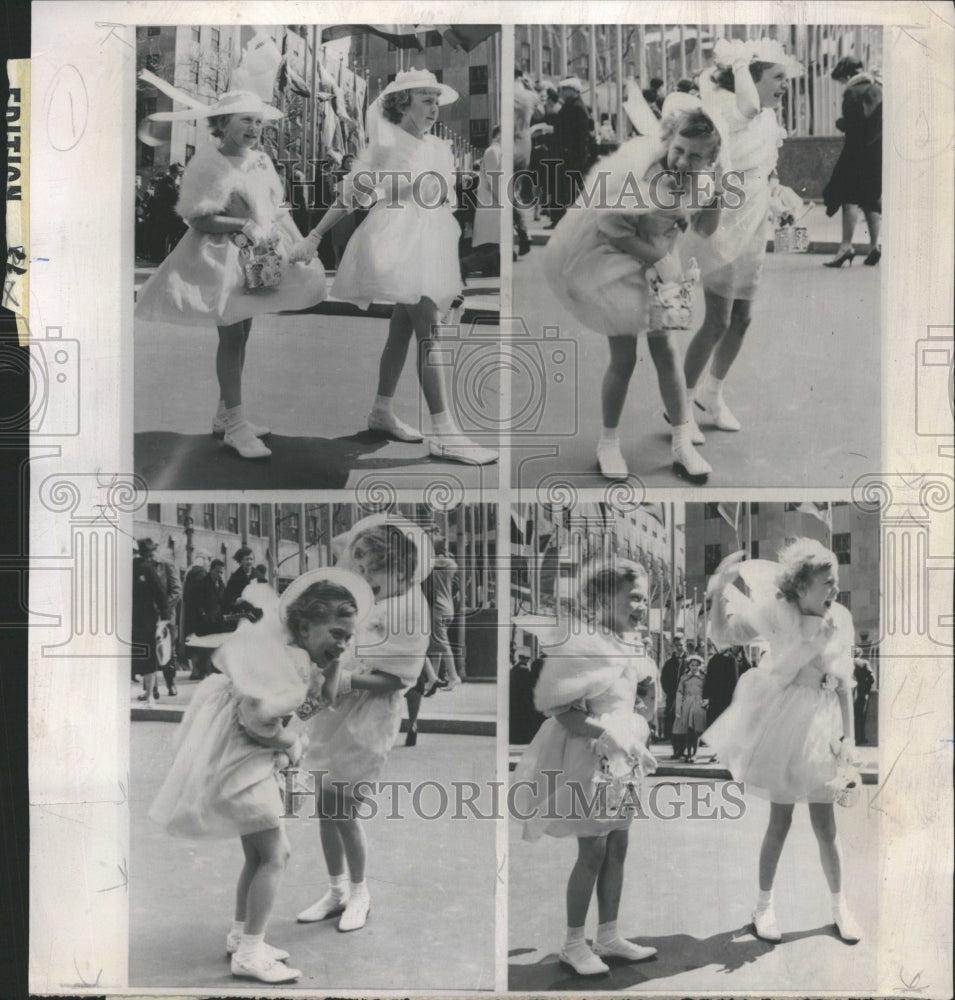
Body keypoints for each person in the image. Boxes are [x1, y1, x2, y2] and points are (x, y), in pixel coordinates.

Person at [149, 567, 374, 983]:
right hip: (241, 764)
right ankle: (250, 952)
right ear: (305, 627)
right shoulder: (285, 662)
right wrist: (289, 744)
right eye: (335, 634)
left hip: (245, 762)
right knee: (276, 854)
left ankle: (241, 936)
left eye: (348, 635)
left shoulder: (304, 657)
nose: (342, 643)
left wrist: (336, 660)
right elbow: (256, 721)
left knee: (256, 854)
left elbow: (322, 701)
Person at [290, 69, 496, 466]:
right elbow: (352, 196)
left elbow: (443, 201)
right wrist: (314, 236)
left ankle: (381, 411)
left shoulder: (438, 147)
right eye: (426, 100)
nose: (435, 108)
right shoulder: (385, 145)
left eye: (437, 101)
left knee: (403, 329)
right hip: (397, 241)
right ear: (403, 104)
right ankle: (444, 432)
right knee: (429, 332)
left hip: (432, 240)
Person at [541, 95, 727, 484]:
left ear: (710, 161)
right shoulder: (640, 173)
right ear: (669, 141)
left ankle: (681, 442)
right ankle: (608, 443)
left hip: (661, 261)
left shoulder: (704, 179)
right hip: (618, 263)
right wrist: (655, 259)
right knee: (623, 358)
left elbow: (705, 230)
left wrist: (719, 192)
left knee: (667, 353)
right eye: (679, 151)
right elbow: (609, 226)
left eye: (696, 157)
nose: (683, 162)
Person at [135, 88, 327, 459]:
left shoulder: (260, 161)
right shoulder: (209, 162)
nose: (255, 128)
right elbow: (197, 216)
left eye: (258, 121)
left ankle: (227, 415)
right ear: (223, 124)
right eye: (246, 120)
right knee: (233, 338)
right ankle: (236, 427)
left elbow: (277, 207)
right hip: (221, 257)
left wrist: (299, 242)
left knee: (245, 331)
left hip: (257, 255)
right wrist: (244, 223)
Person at [703, 541, 864, 944]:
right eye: (827, 582)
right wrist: (718, 591)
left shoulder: (840, 617)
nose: (834, 589)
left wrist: (849, 740)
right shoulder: (777, 612)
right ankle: (763, 907)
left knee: (826, 826)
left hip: (824, 725)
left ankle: (840, 907)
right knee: (781, 820)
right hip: (786, 722)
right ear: (800, 586)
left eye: (836, 582)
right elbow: (723, 635)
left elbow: (844, 681)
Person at [513, 560, 659, 976]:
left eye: (644, 599)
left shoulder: (630, 643)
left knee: (618, 845)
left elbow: (632, 693)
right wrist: (609, 735)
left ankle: (609, 935)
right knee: (593, 849)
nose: (641, 605)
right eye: (633, 596)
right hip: (590, 754)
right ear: (602, 600)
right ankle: (573, 943)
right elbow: (563, 711)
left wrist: (641, 707)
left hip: (623, 758)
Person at [296, 515, 431, 932]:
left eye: (376, 568)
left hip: (369, 717)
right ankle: (336, 890)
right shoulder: (368, 600)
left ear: (401, 567)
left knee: (344, 808)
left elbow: (397, 679)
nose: (367, 575)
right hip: (335, 711)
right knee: (325, 804)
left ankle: (360, 892)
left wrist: (347, 678)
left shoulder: (410, 608)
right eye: (363, 567)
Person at [681, 37, 800, 437]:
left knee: (742, 318)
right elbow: (745, 110)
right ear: (752, 78)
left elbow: (764, 168)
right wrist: (739, 63)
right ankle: (679, 405)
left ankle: (711, 394)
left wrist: (778, 192)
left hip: (754, 224)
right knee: (717, 320)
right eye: (777, 77)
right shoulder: (730, 112)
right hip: (725, 224)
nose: (785, 85)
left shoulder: (766, 118)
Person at [822, 57, 882, 268]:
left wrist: (841, 123)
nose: (841, 84)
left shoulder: (853, 92)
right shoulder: (878, 87)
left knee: (849, 199)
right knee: (870, 199)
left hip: (857, 151)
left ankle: (846, 247)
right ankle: (875, 245)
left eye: (840, 80)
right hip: (877, 152)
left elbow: (853, 125)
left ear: (847, 76)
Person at [547, 76, 594, 226]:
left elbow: (578, 135)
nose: (561, 92)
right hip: (570, 155)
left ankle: (562, 219)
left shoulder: (575, 108)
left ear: (573, 90)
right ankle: (562, 219)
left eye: (565, 89)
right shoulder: (574, 105)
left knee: (565, 189)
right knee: (565, 189)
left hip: (570, 156)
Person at [460, 126, 503, 277]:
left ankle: (488, 269)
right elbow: (495, 180)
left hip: (493, 205)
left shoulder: (495, 151)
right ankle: (463, 266)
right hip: (493, 205)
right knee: (491, 248)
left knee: (492, 246)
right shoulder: (493, 151)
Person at [132, 538, 169, 707]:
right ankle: (149, 697)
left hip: (135, 619)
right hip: (145, 619)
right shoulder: (147, 569)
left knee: (143, 657)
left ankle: (149, 696)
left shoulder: (136, 567)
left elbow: (161, 596)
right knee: (148, 657)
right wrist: (164, 618)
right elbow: (161, 595)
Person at [145, 162, 185, 262]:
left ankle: (160, 257)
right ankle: (169, 257)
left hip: (163, 214)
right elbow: (175, 197)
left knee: (162, 236)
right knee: (179, 233)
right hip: (167, 214)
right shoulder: (168, 182)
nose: (179, 176)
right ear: (175, 173)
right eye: (179, 173)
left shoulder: (165, 182)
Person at [674, 652, 707, 761]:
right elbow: (679, 692)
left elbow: (707, 691)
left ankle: (695, 753)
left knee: (696, 730)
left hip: (698, 704)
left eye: (697, 665)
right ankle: (688, 753)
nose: (694, 667)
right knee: (688, 730)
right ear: (689, 666)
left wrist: (706, 702)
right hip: (687, 704)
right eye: (692, 665)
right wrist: (679, 707)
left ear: (700, 666)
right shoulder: (684, 678)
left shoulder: (703, 678)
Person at [703, 641, 741, 725]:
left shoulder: (729, 659)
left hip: (722, 698)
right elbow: (708, 680)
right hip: (719, 699)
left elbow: (734, 681)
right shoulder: (715, 660)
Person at [660, 639, 684, 754]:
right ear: (674, 647)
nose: (680, 647)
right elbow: (664, 680)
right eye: (677, 645)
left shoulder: (690, 661)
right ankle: (675, 749)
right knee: (674, 722)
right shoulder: (669, 663)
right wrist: (671, 693)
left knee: (685, 723)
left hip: (686, 697)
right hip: (673, 697)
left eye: (681, 645)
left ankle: (685, 749)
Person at [852, 648, 875, 746]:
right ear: (860, 654)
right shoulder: (864, 663)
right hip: (861, 693)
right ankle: (860, 738)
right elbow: (872, 678)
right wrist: (866, 690)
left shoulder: (847, 663)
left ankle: (849, 738)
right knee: (860, 716)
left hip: (849, 692)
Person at [224, 546, 256, 613]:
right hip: (241, 613)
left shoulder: (258, 575)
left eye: (251, 559)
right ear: (240, 561)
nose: (249, 562)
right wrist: (238, 600)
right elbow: (228, 599)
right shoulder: (234, 578)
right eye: (246, 559)